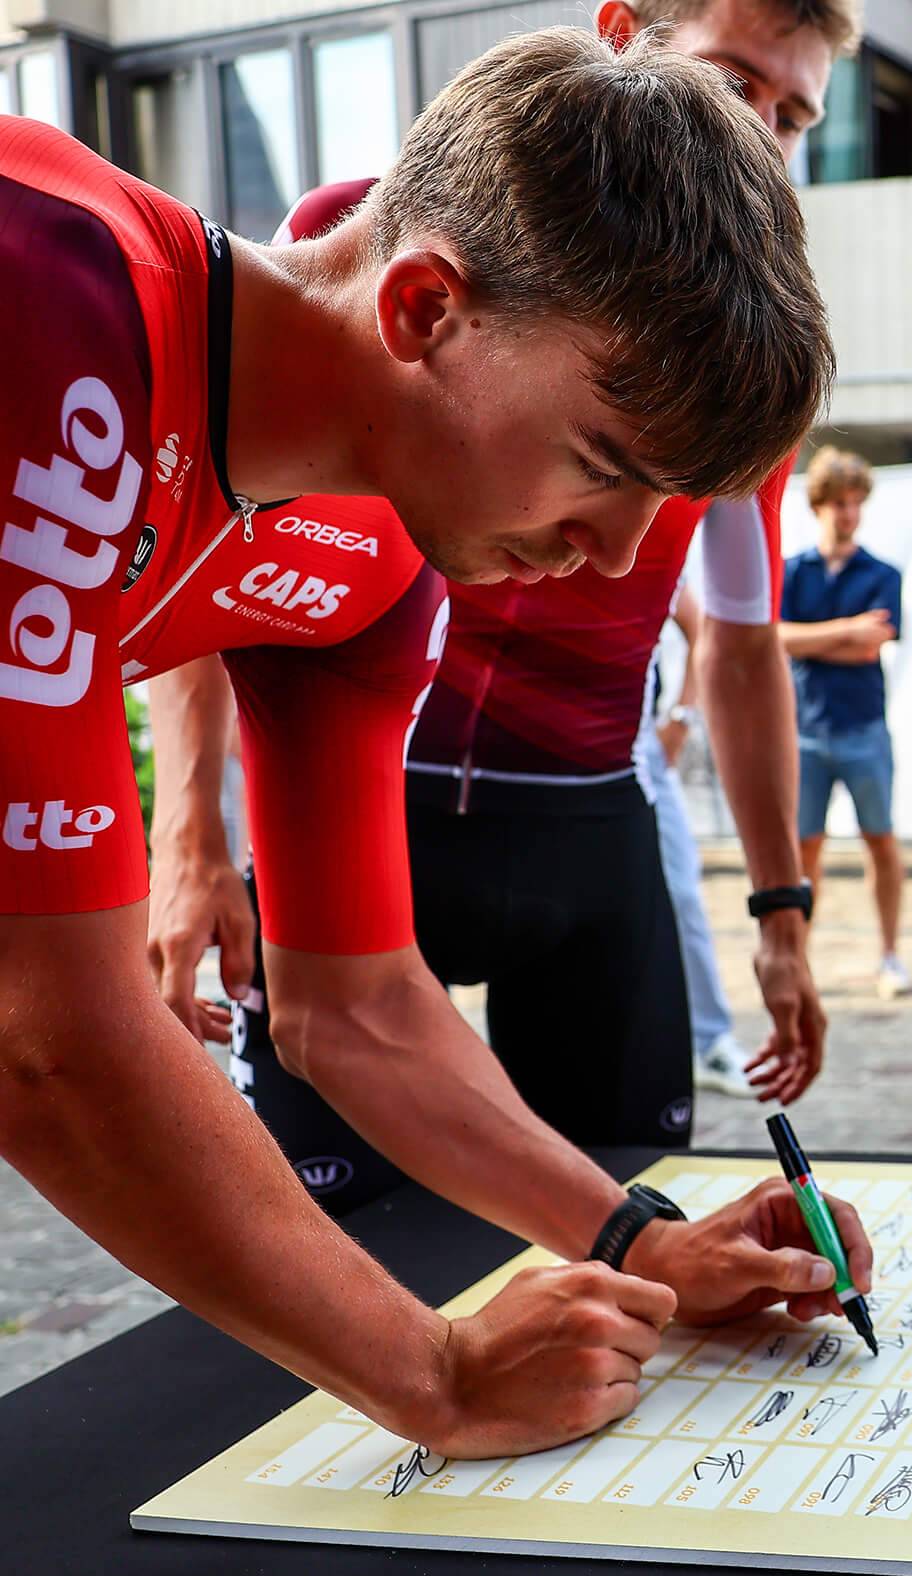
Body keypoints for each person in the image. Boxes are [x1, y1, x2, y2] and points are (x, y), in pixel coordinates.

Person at [0, 29, 864, 1461]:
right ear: (424, 308)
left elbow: (356, 1010)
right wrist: (437, 1371)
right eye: (604, 465)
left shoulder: (367, 562)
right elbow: (48, 1031)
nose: (610, 559)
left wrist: (637, 1238)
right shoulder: (54, 284)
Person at [145, 0, 852, 1199]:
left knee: (622, 1190)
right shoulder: (368, 253)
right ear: (623, 36)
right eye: (740, 87)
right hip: (385, 786)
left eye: (796, 115)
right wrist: (190, 831)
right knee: (344, 1217)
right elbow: (225, 544)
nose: (765, 137)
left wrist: (781, 908)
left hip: (579, 802)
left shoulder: (736, 367)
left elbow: (741, 649)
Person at [778, 446, 912, 999]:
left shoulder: (882, 573)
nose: (848, 513)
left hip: (863, 730)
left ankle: (890, 953)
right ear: (818, 506)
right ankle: (799, 958)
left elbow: (870, 646)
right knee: (804, 851)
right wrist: (845, 630)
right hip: (804, 732)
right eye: (839, 503)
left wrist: (811, 640)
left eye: (856, 503)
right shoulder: (790, 571)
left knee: (880, 841)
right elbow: (772, 638)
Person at [643, 583, 749, 1095]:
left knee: (682, 893)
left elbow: (702, 626)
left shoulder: (645, 538)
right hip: (546, 742)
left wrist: (681, 718)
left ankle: (710, 1040)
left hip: (635, 739)